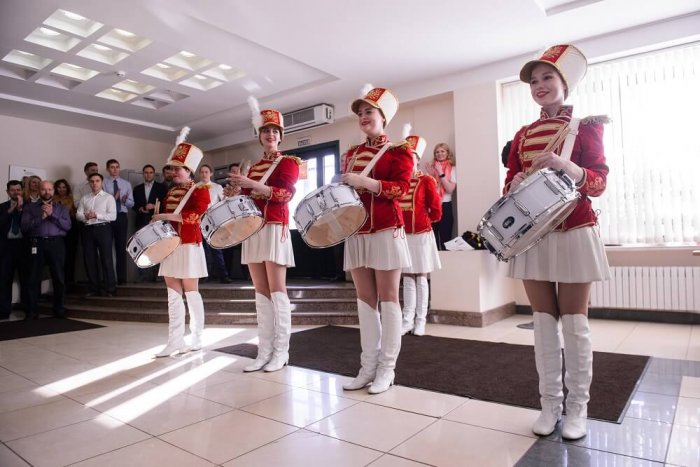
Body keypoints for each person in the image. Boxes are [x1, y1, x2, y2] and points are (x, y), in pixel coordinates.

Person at [505, 44, 610, 440]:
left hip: (574, 230)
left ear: (564, 83)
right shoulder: (522, 135)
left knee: (575, 322)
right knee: (543, 322)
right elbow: (509, 185)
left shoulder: (586, 126)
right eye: (534, 81)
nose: (539, 85)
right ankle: (549, 405)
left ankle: (578, 407)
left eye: (547, 77)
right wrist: (514, 183)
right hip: (533, 235)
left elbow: (598, 182)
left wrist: (568, 166)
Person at [339, 87, 413, 394]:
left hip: (385, 228)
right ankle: (367, 366)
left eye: (369, 111)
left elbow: (401, 189)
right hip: (356, 230)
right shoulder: (351, 154)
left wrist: (364, 181)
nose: (363, 117)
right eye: (360, 113)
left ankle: (387, 368)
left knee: (389, 298)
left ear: (383, 117)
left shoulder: (399, 151)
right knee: (364, 300)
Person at [225, 104, 300, 373]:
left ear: (280, 136)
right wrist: (235, 193)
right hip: (253, 229)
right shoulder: (254, 167)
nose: (270, 134)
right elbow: (248, 200)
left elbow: (285, 194)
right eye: (265, 130)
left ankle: (281, 352)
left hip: (275, 227)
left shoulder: (289, 162)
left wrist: (253, 185)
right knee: (260, 293)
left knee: (277, 290)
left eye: (274, 131)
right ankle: (264, 351)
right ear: (259, 136)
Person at [150, 136, 210, 357]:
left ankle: (196, 337)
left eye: (178, 169)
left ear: (189, 171)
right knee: (172, 295)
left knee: (191, 292)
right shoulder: (170, 192)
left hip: (189, 244)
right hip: (170, 245)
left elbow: (194, 217)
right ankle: (174, 341)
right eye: (173, 169)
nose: (174, 172)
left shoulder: (201, 190)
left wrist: (163, 216)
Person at [399, 132, 442, 336]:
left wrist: (425, 220)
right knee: (407, 276)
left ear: (417, 159)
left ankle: (421, 320)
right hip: (403, 235)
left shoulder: (426, 180)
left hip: (422, 234)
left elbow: (436, 209)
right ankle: (407, 319)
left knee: (421, 276)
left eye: (411, 157)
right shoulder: (398, 182)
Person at [21, 180, 71, 319]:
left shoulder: (62, 208)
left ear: (53, 191)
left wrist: (52, 215)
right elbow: (24, 227)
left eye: (49, 189)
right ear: (39, 191)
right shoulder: (30, 207)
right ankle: (32, 310)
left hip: (56, 244)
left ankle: (59, 308)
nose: (47, 192)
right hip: (36, 244)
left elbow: (67, 226)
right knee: (33, 277)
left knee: (59, 278)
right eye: (44, 189)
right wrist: (41, 217)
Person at [76, 173, 117, 298]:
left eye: (97, 181)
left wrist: (96, 215)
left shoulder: (109, 198)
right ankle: (94, 288)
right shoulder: (84, 198)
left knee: (106, 259)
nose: (94, 183)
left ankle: (110, 288)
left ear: (102, 182)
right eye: (92, 181)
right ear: (89, 183)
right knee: (90, 259)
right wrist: (85, 216)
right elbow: (78, 214)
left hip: (103, 229)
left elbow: (113, 216)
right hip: (88, 229)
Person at [0, 180, 30, 320]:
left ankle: (28, 309)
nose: (16, 192)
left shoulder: (29, 206)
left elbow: (31, 225)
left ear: (22, 191)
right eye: (12, 190)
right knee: (4, 279)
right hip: (6, 248)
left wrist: (21, 209)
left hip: (24, 247)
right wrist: (10, 211)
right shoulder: (2, 207)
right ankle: (4, 310)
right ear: (8, 192)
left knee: (26, 279)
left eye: (18, 190)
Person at [132, 164, 167, 282]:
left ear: (154, 174)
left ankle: (158, 275)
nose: (148, 175)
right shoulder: (137, 189)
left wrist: (155, 206)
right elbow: (134, 205)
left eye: (151, 172)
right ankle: (143, 276)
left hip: (156, 221)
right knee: (142, 248)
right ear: (143, 174)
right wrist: (140, 208)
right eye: (146, 172)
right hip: (141, 221)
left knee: (157, 247)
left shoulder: (161, 188)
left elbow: (166, 205)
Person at [199, 164, 232, 284]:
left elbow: (224, 201)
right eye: (202, 172)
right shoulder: (195, 187)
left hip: (214, 220)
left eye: (206, 172)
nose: (204, 174)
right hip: (200, 220)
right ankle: (204, 275)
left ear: (211, 173)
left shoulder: (217, 187)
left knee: (216, 248)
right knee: (203, 250)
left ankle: (223, 275)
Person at [103, 159, 133, 285]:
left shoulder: (126, 184)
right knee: (106, 248)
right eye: (112, 167)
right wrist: (112, 199)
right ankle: (109, 279)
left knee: (121, 248)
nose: (115, 169)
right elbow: (101, 202)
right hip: (107, 218)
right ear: (107, 169)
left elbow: (131, 203)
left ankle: (122, 279)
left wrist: (125, 200)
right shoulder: (103, 182)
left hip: (121, 216)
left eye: (117, 167)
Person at [425, 143, 456, 250]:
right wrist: (432, 175)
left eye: (442, 151)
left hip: (445, 207)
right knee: (432, 242)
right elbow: (429, 191)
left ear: (447, 153)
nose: (439, 154)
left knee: (445, 241)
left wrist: (440, 173)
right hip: (431, 207)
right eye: (437, 152)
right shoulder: (432, 169)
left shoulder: (453, 169)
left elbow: (450, 189)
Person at [53, 179, 79, 291]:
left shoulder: (72, 199)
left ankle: (70, 282)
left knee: (70, 256)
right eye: (59, 187)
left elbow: (76, 213)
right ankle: (59, 284)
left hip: (71, 229)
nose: (61, 189)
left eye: (64, 187)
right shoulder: (53, 200)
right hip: (57, 229)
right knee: (59, 258)